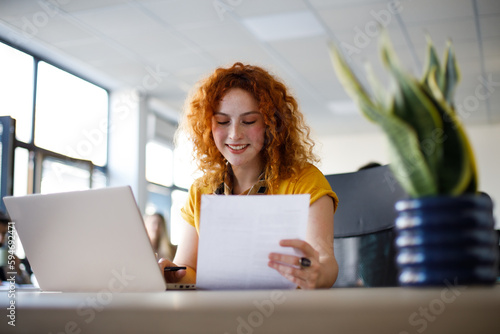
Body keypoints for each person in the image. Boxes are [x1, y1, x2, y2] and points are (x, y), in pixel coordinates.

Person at [159, 62, 339, 289]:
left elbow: (326, 262)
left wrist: (317, 274)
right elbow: (187, 270)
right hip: (217, 315)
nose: (234, 134)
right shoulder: (201, 190)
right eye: (222, 122)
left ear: (271, 124)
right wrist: (171, 274)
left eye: (249, 121)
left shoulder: (304, 181)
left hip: (286, 314)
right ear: (208, 126)